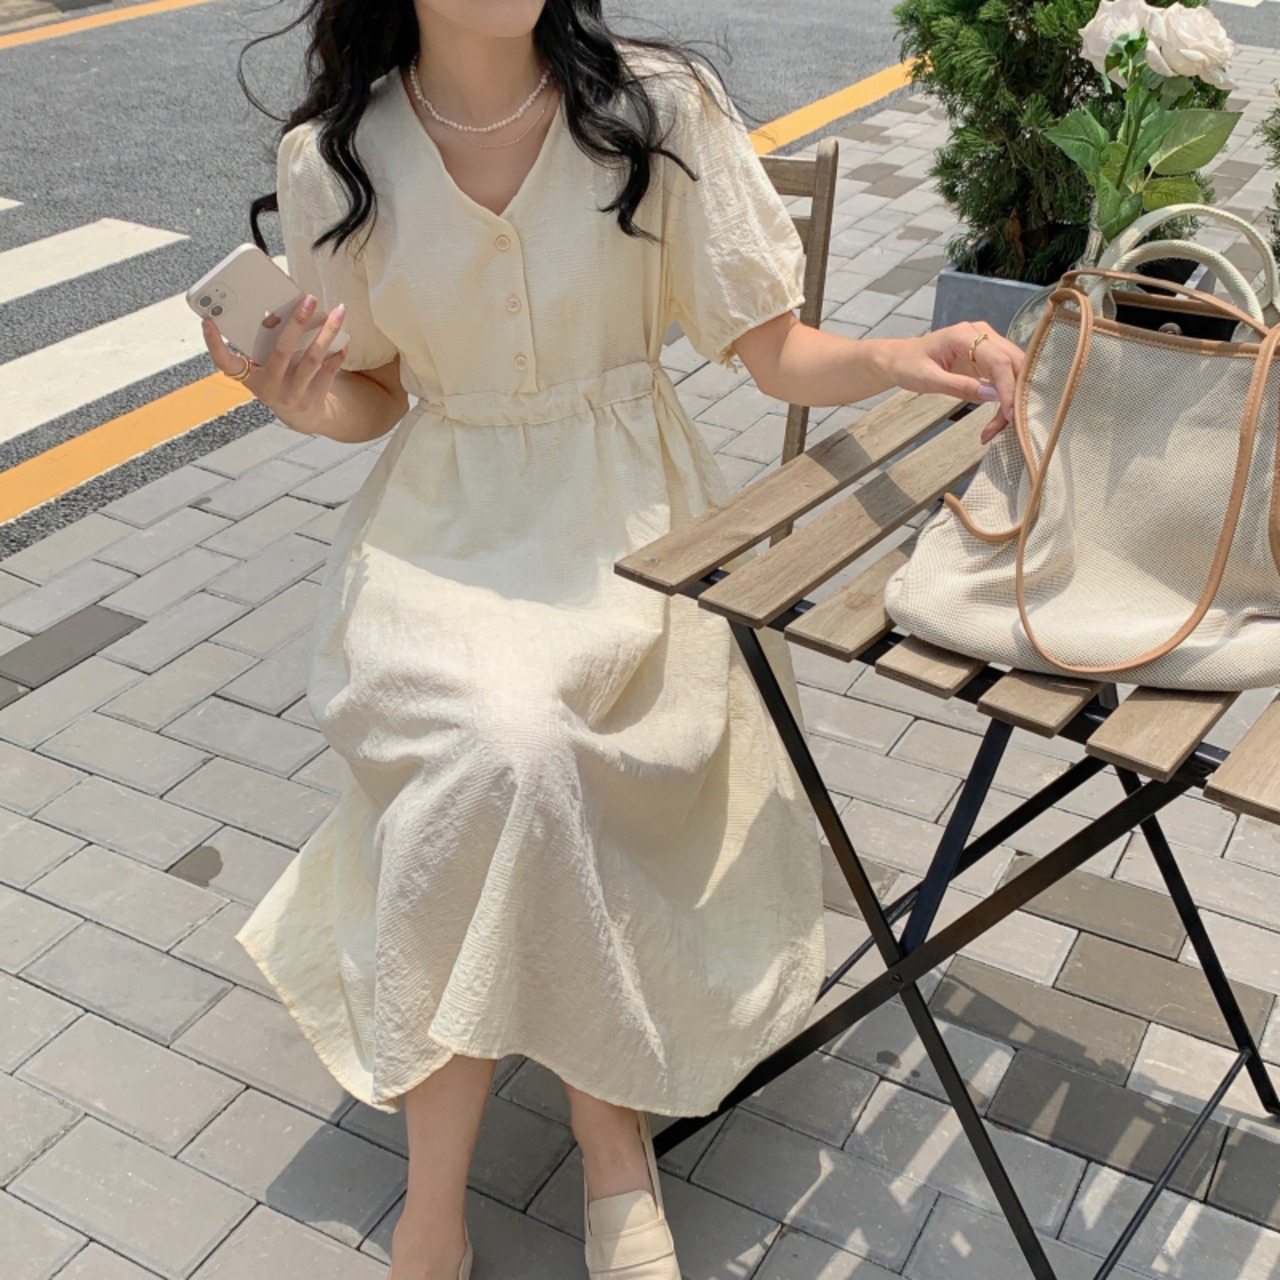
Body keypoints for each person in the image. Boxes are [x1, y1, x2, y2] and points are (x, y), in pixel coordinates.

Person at [199, 2, 1024, 1277]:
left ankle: (587, 1147)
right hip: (441, 536)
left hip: (630, 526)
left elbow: (771, 351)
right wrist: (302, 401)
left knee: (525, 753)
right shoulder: (336, 156)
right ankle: (484, 1187)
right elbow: (374, 394)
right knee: (499, 749)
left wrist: (904, 353)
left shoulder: (653, 110)